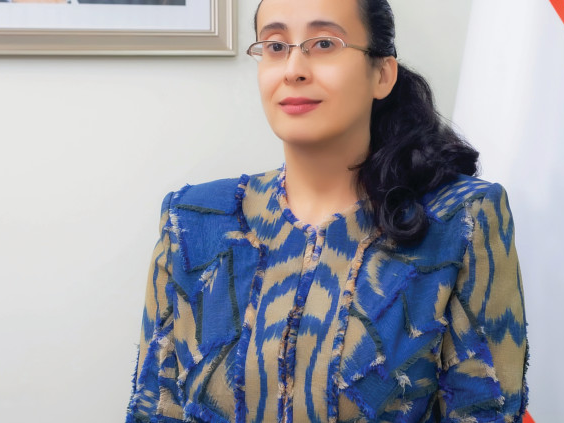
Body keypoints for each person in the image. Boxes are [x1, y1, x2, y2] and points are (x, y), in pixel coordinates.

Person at [125, 0, 528, 421]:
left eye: (323, 43)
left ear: (382, 74)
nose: (293, 69)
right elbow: (155, 409)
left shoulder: (460, 218)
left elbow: (486, 410)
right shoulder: (192, 221)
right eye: (276, 46)